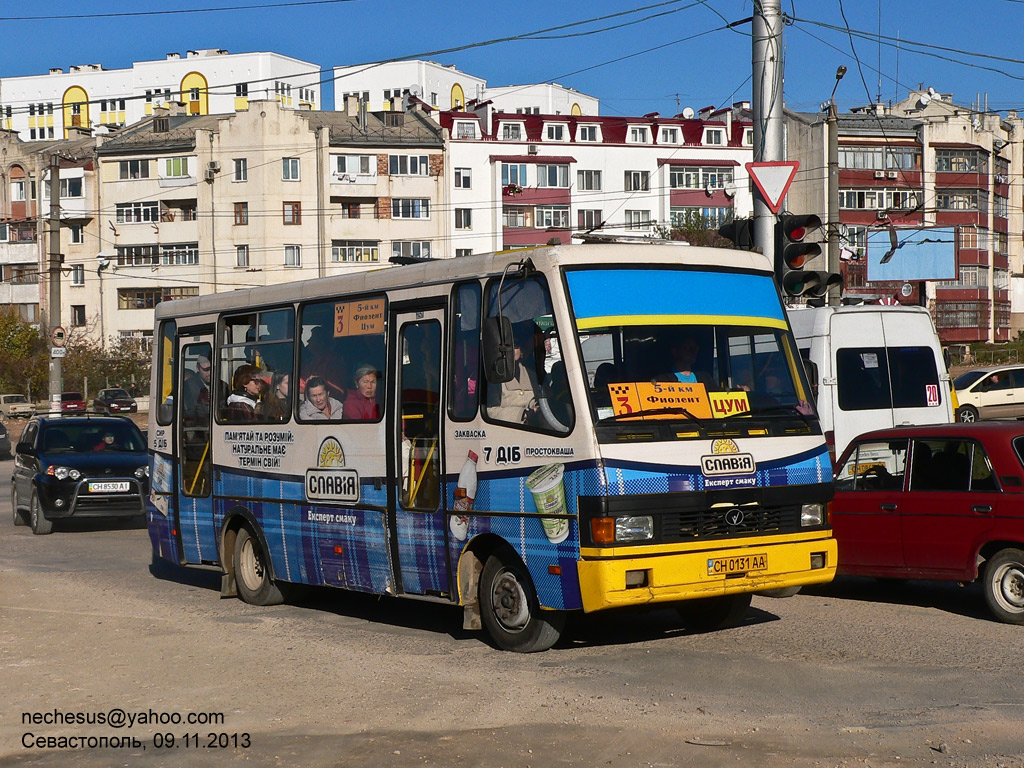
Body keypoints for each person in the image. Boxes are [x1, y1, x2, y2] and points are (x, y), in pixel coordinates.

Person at [488, 334, 538, 424]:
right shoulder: (494, 376)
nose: (511, 350)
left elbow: (541, 402)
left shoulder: (532, 375)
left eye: (515, 345)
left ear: (521, 350)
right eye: (507, 346)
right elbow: (490, 411)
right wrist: (522, 414)